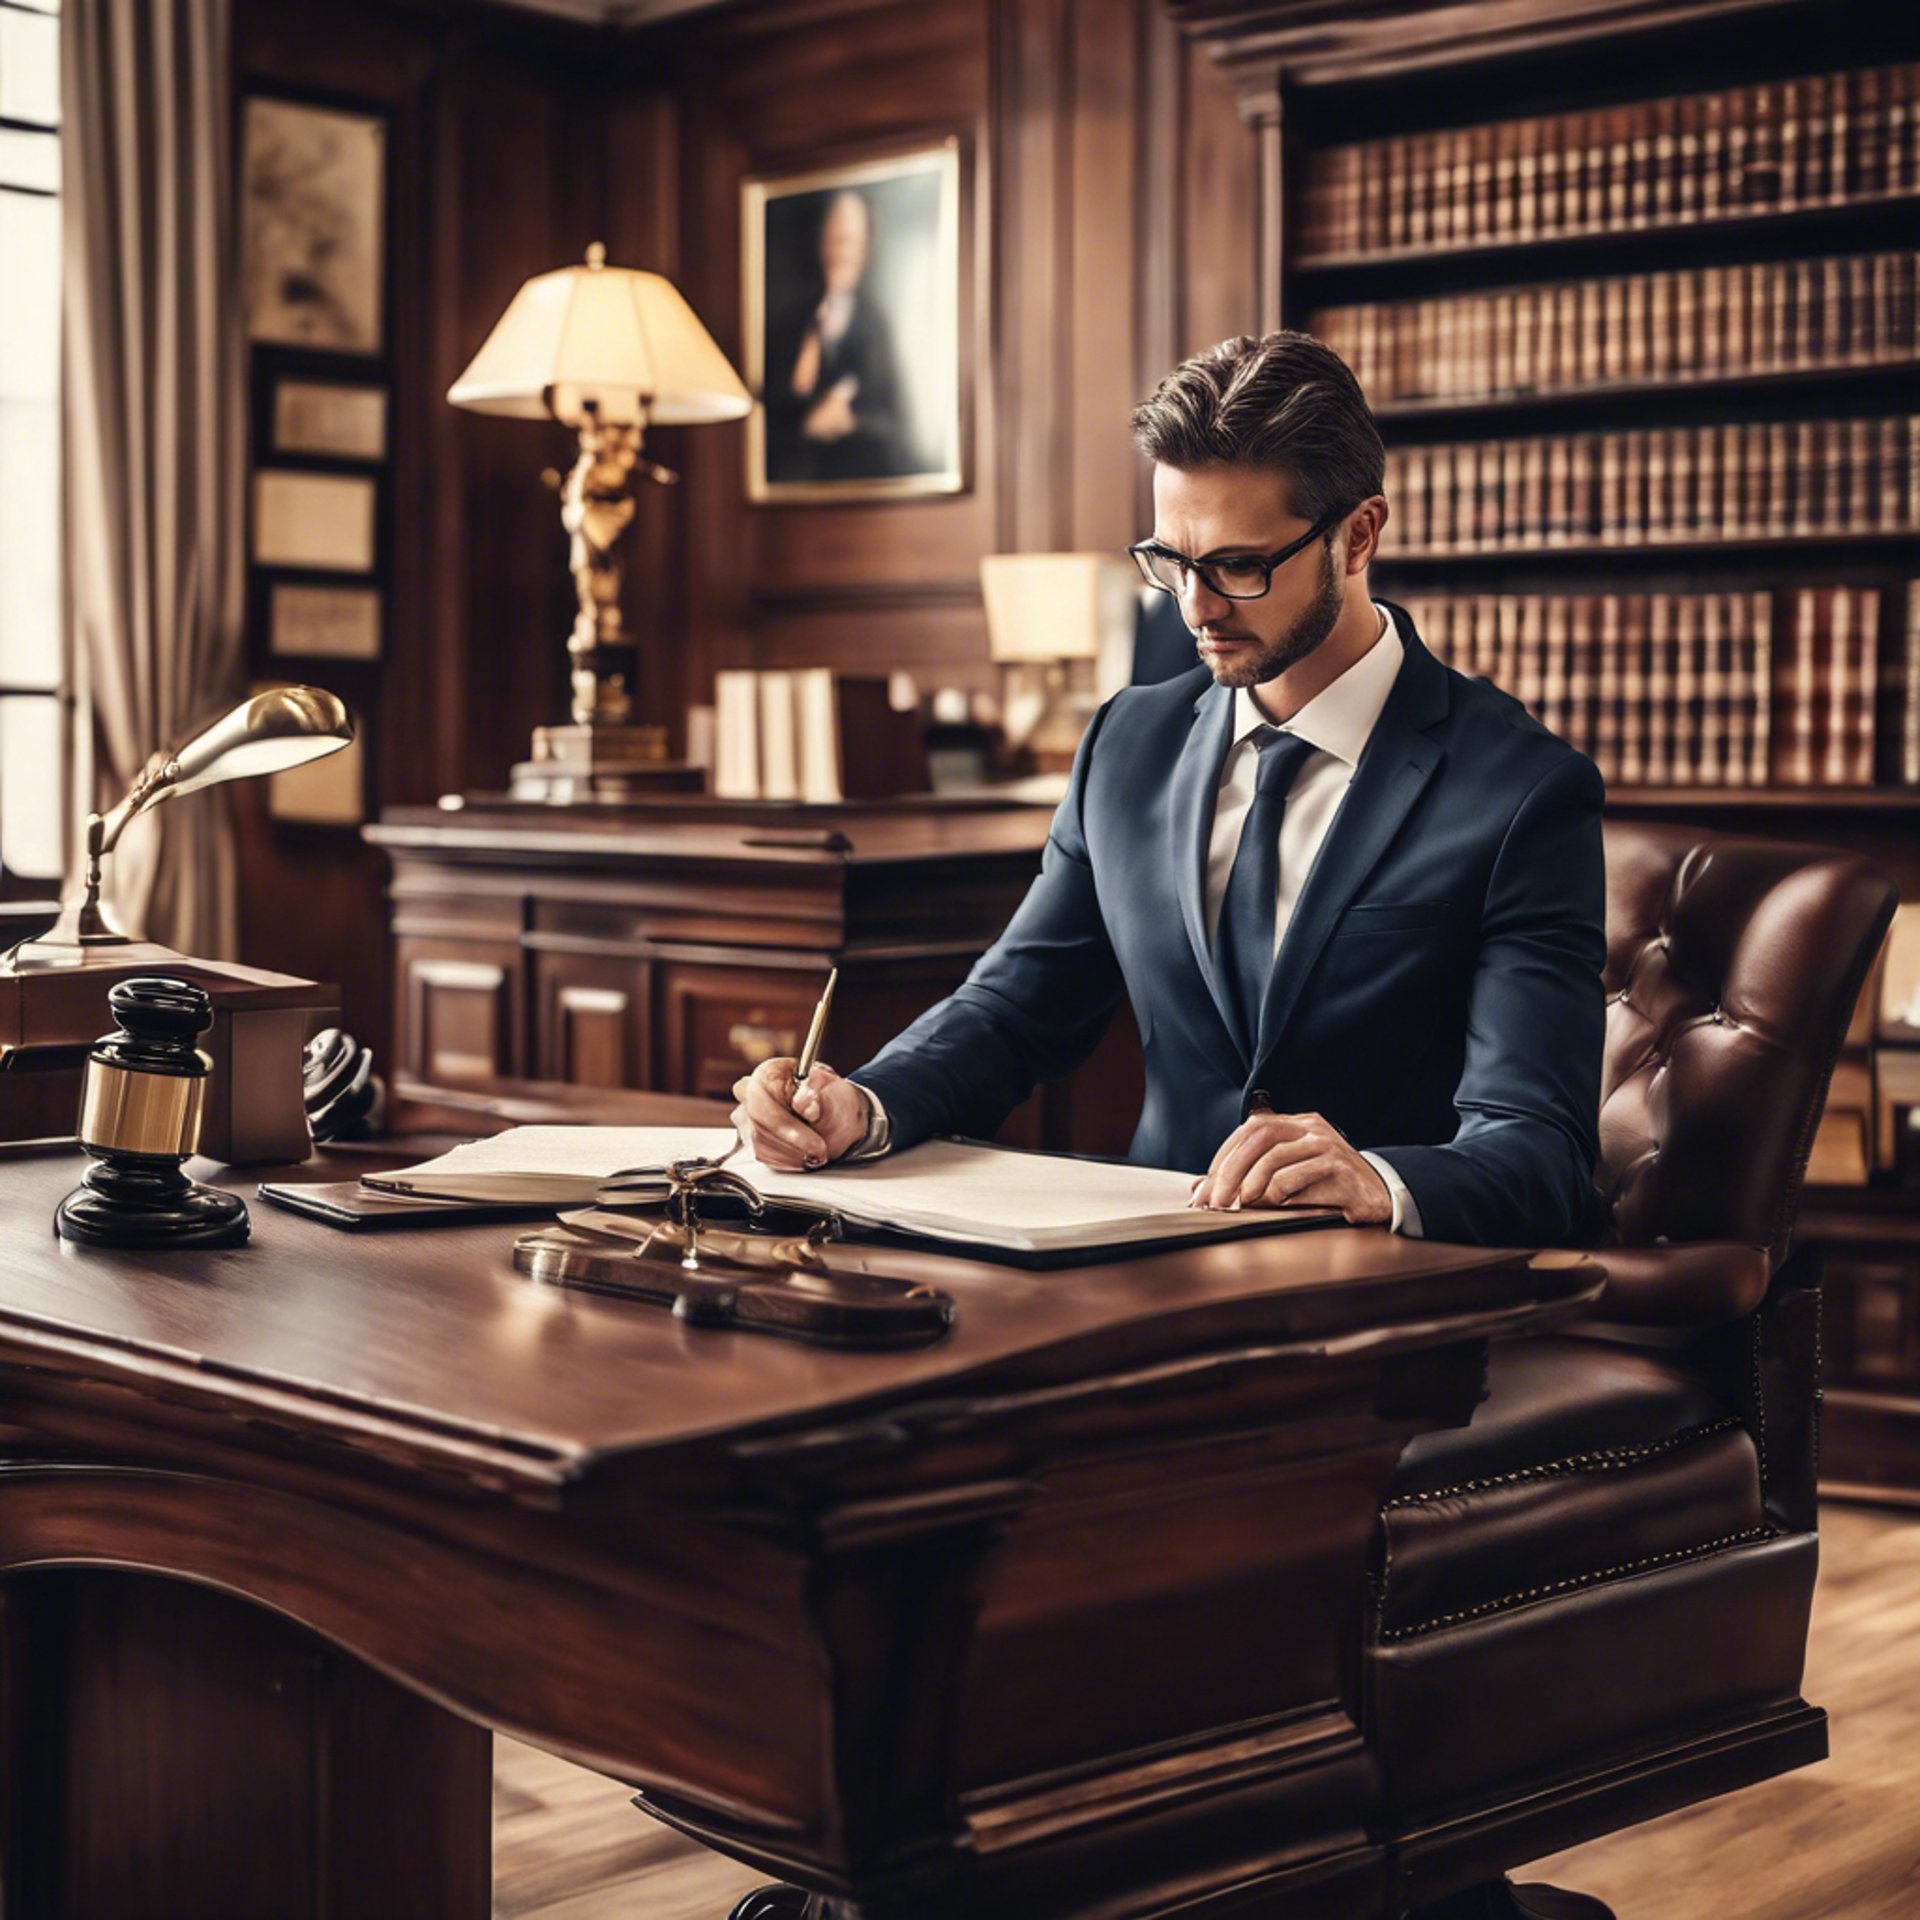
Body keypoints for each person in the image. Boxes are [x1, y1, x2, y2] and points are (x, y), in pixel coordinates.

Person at [733, 331, 1608, 1248]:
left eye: (1238, 565)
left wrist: (1378, 1179)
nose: (1194, 607)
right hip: (1135, 1269)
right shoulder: (1128, 744)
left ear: (1359, 535)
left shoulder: (1521, 792)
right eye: (1170, 561)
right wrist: (861, 1105)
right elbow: (1012, 1009)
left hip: (1381, 1306)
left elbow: (1537, 1153)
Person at [763, 189, 916, 484]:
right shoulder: (789, 324)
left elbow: (897, 425)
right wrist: (805, 426)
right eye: (834, 239)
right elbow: (767, 414)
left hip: (862, 482)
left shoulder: (877, 325)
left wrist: (849, 422)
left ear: (865, 248)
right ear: (820, 243)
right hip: (798, 481)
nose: (840, 251)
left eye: (849, 241)